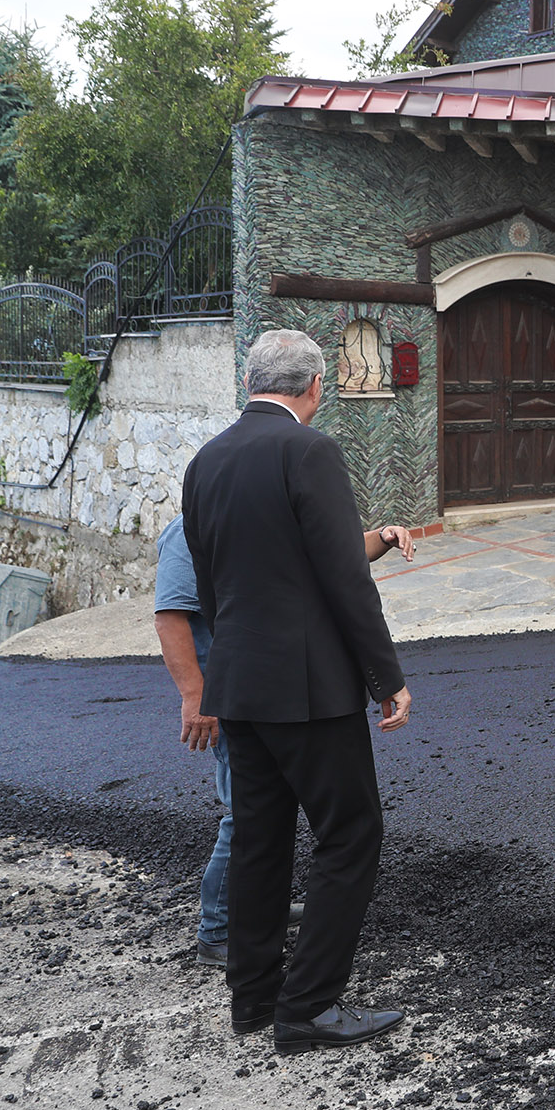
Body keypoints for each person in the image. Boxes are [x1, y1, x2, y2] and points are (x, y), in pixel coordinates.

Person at [181, 328, 416, 1054]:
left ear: (250, 381)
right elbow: (345, 574)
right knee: (351, 833)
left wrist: (228, 664)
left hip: (238, 683)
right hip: (309, 689)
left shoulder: (205, 461)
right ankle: (308, 1007)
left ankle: (253, 999)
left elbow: (209, 583)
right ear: (315, 386)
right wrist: (387, 677)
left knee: (260, 841)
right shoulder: (309, 451)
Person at [154, 513, 417, 970]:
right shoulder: (191, 526)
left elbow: (330, 553)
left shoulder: (268, 510)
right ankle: (218, 930)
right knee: (246, 811)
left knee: (270, 806)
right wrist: (196, 697)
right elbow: (171, 616)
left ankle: (262, 909)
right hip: (229, 692)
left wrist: (382, 538)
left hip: (266, 687)